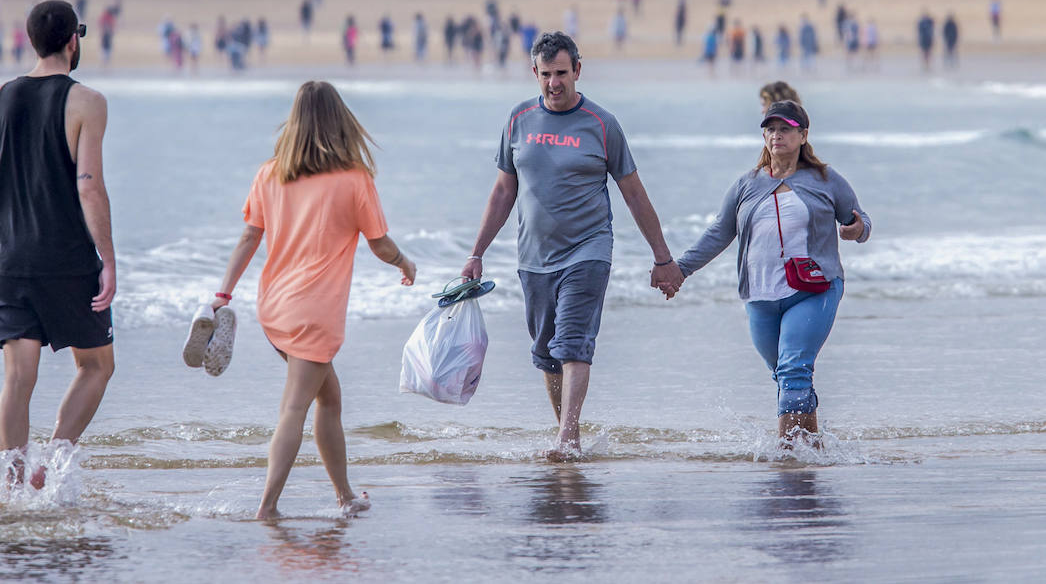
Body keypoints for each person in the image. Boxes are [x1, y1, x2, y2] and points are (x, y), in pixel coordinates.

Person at [461, 32, 683, 459]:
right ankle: (569, 433)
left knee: (572, 342)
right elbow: (503, 193)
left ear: (578, 70)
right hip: (533, 257)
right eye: (545, 75)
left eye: (562, 73)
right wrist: (476, 253)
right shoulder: (518, 119)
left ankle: (567, 436)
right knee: (546, 353)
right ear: (535, 73)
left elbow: (634, 194)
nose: (554, 83)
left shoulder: (602, 124)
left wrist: (663, 259)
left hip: (588, 250)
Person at [213, 81, 415, 519]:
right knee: (295, 407)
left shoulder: (270, 173)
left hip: (275, 308)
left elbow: (250, 236)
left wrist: (222, 294)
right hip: (315, 312)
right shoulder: (354, 179)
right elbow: (379, 244)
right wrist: (404, 263)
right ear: (342, 122)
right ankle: (267, 507)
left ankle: (344, 496)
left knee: (330, 399)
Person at [0, 0, 116, 491]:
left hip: (8, 258)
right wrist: (108, 259)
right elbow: (88, 186)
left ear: (32, 42)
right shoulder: (87, 102)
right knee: (96, 364)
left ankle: (8, 477)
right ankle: (54, 457)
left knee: (17, 378)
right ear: (74, 41)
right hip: (67, 258)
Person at [674, 100, 870, 445]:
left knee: (794, 369)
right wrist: (679, 270)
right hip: (761, 295)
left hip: (814, 290)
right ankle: (812, 449)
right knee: (785, 375)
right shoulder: (746, 184)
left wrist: (856, 229)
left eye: (785, 129)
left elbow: (860, 220)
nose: (776, 135)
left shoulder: (825, 179)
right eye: (770, 129)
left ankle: (786, 455)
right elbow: (719, 233)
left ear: (803, 135)